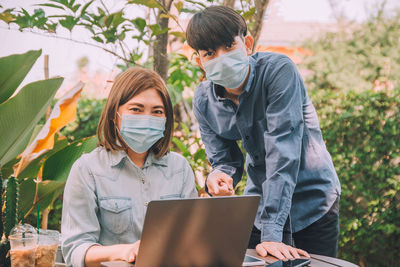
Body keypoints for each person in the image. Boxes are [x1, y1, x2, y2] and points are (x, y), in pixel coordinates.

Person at [186, 6, 341, 260]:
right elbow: (225, 159)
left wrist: (272, 233)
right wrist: (220, 175)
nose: (221, 57)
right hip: (260, 208)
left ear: (247, 44)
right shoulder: (204, 101)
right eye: (210, 53)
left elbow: (283, 151)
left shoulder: (278, 71)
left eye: (228, 46)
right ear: (199, 60)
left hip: (312, 203)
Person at [61, 67, 198, 267]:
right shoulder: (87, 170)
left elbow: (194, 236)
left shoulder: (180, 168)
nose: (147, 118)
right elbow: (76, 249)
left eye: (157, 112)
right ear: (113, 114)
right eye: (136, 109)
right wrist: (124, 251)